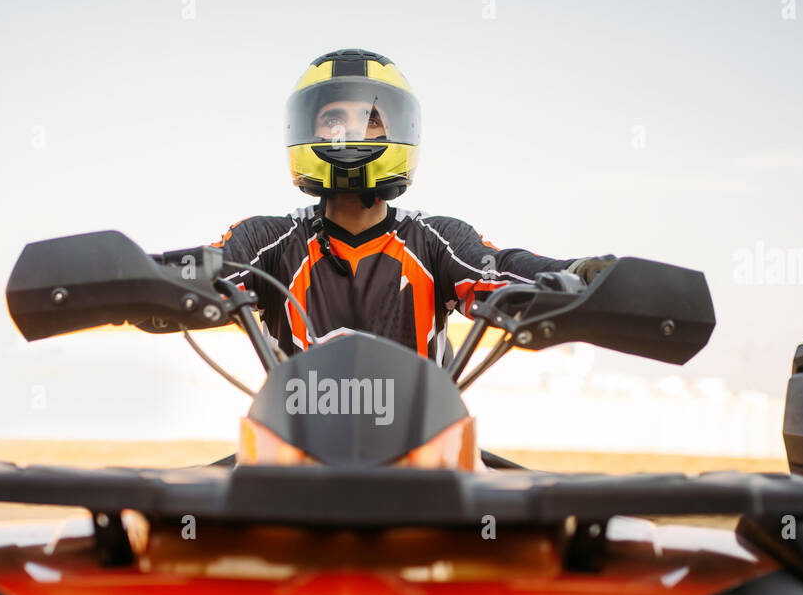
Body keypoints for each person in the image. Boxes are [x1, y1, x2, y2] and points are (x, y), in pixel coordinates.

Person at [187, 48, 615, 364]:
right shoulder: (268, 240)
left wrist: (578, 274)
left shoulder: (437, 241)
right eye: (334, 118)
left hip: (422, 455)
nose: (349, 132)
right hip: (292, 448)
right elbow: (210, 272)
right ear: (305, 129)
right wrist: (139, 274)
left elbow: (501, 268)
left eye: (370, 118)